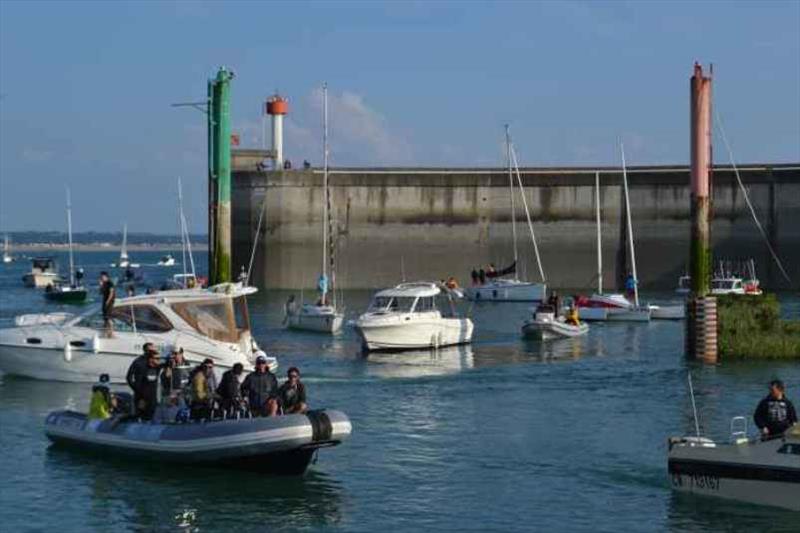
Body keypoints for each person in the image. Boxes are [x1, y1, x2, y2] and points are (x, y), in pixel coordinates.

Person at [134, 349, 163, 420]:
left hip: (153, 399)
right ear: (150, 359)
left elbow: (166, 364)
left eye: (159, 359)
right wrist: (140, 398)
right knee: (142, 417)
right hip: (143, 399)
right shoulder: (142, 368)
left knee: (152, 417)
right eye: (157, 359)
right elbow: (138, 384)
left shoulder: (157, 368)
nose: (159, 360)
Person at [126, 343, 156, 410]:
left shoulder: (155, 361)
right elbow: (129, 377)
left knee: (151, 415)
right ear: (146, 351)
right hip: (141, 395)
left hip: (152, 395)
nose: (153, 352)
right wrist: (136, 389)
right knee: (140, 414)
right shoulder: (138, 361)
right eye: (151, 351)